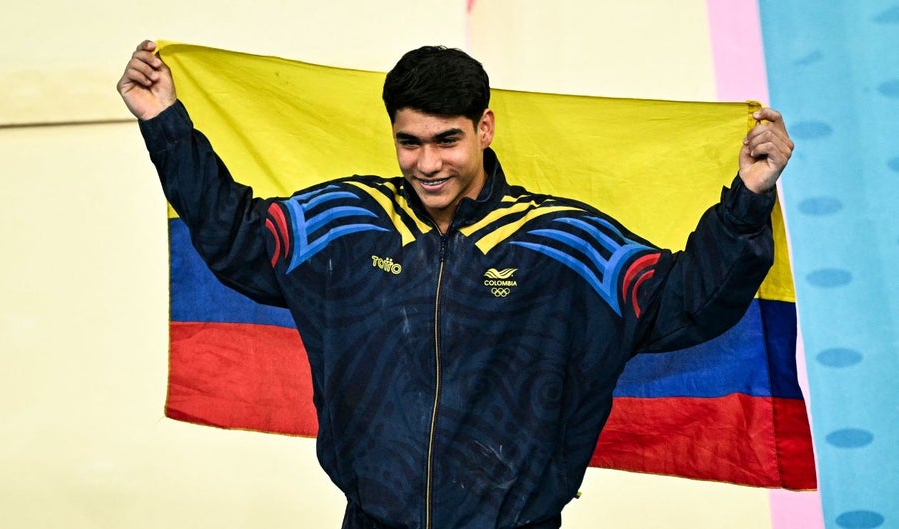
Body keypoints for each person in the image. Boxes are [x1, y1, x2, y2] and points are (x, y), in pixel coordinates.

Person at [118, 40, 794, 529]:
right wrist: (163, 121)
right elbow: (236, 236)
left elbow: (686, 304)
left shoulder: (562, 242)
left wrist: (747, 199)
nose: (428, 163)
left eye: (447, 140)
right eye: (409, 142)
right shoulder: (346, 221)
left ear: (485, 128)